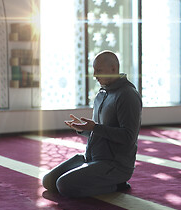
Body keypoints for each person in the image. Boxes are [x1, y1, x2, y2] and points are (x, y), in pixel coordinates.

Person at [42, 50, 142, 198]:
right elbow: (100, 131)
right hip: (91, 158)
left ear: (113, 69)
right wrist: (84, 129)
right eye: (94, 70)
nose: (95, 75)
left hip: (114, 165)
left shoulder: (127, 95)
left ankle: (117, 184)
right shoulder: (101, 94)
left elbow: (128, 137)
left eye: (99, 71)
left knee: (64, 185)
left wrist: (94, 127)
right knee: (49, 181)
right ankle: (96, 178)